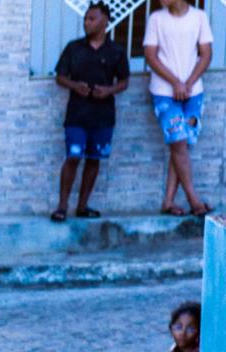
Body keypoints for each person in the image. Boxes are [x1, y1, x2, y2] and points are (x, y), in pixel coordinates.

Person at [52, 3, 130, 223]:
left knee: (94, 160)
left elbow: (124, 81)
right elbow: (60, 77)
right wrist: (75, 86)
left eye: (92, 19)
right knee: (73, 156)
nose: (87, 22)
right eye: (86, 19)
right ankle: (62, 206)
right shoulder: (74, 48)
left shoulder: (116, 51)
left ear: (105, 21)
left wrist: (109, 91)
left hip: (103, 116)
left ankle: (82, 206)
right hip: (77, 115)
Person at [144, 0, 213, 217]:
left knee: (182, 144)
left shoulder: (199, 17)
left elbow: (206, 54)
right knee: (178, 142)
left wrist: (188, 83)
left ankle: (168, 201)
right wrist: (175, 82)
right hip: (164, 91)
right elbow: (150, 55)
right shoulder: (156, 19)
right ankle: (194, 200)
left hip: (193, 92)